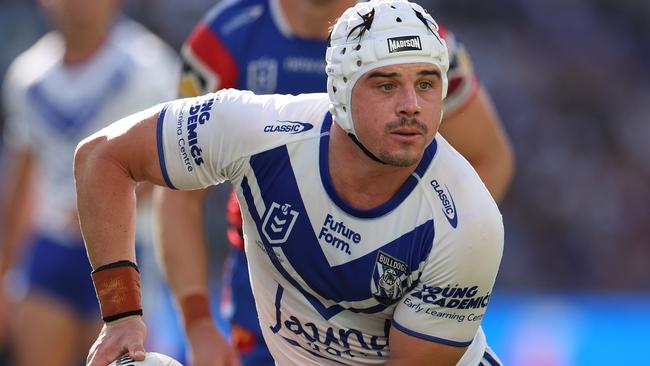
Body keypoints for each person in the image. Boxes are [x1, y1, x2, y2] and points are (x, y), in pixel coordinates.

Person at [75, 1, 504, 365]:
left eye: (426, 84)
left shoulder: (469, 224)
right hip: (266, 290)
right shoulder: (246, 110)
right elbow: (104, 157)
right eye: (386, 85)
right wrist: (130, 316)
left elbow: (492, 156)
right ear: (337, 87)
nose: (411, 106)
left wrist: (429, 250)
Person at [0, 0, 179, 364]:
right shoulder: (27, 75)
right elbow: (22, 178)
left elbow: (171, 166)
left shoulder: (150, 66)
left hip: (129, 251)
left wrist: (99, 209)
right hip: (51, 248)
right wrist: (4, 272)